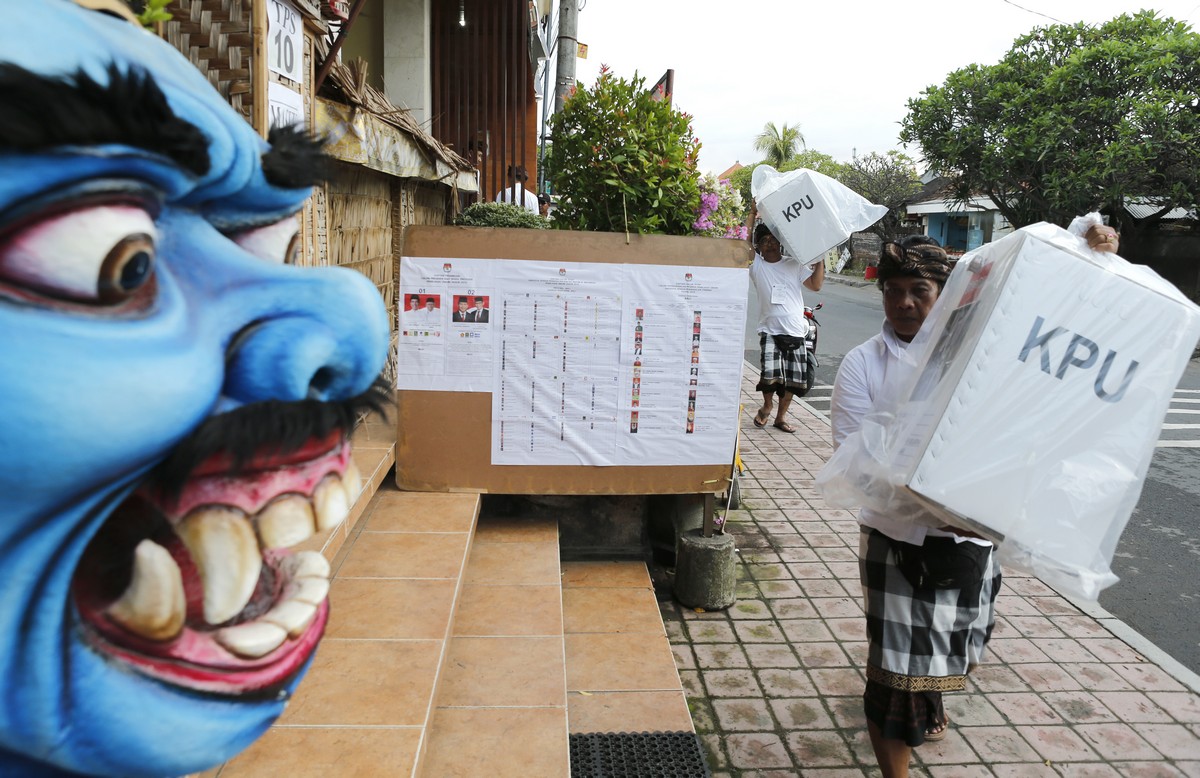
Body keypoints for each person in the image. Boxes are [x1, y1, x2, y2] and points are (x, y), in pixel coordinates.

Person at [829, 236, 1001, 778]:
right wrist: (929, 503)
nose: (904, 302)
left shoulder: (981, 357)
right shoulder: (862, 365)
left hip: (969, 537)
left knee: (960, 651)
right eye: (894, 291)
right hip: (895, 542)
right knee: (893, 676)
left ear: (945, 294)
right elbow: (855, 465)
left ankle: (930, 698)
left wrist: (1092, 248)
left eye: (919, 291)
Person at [749, 223, 824, 433]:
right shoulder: (757, 266)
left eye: (773, 240)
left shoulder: (794, 265)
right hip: (770, 330)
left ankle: (780, 418)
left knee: (791, 380)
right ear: (758, 246)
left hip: (796, 330)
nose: (770, 244)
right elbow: (742, 245)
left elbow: (816, 285)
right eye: (764, 241)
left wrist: (820, 261)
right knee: (770, 376)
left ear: (780, 243)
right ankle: (767, 406)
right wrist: (753, 214)